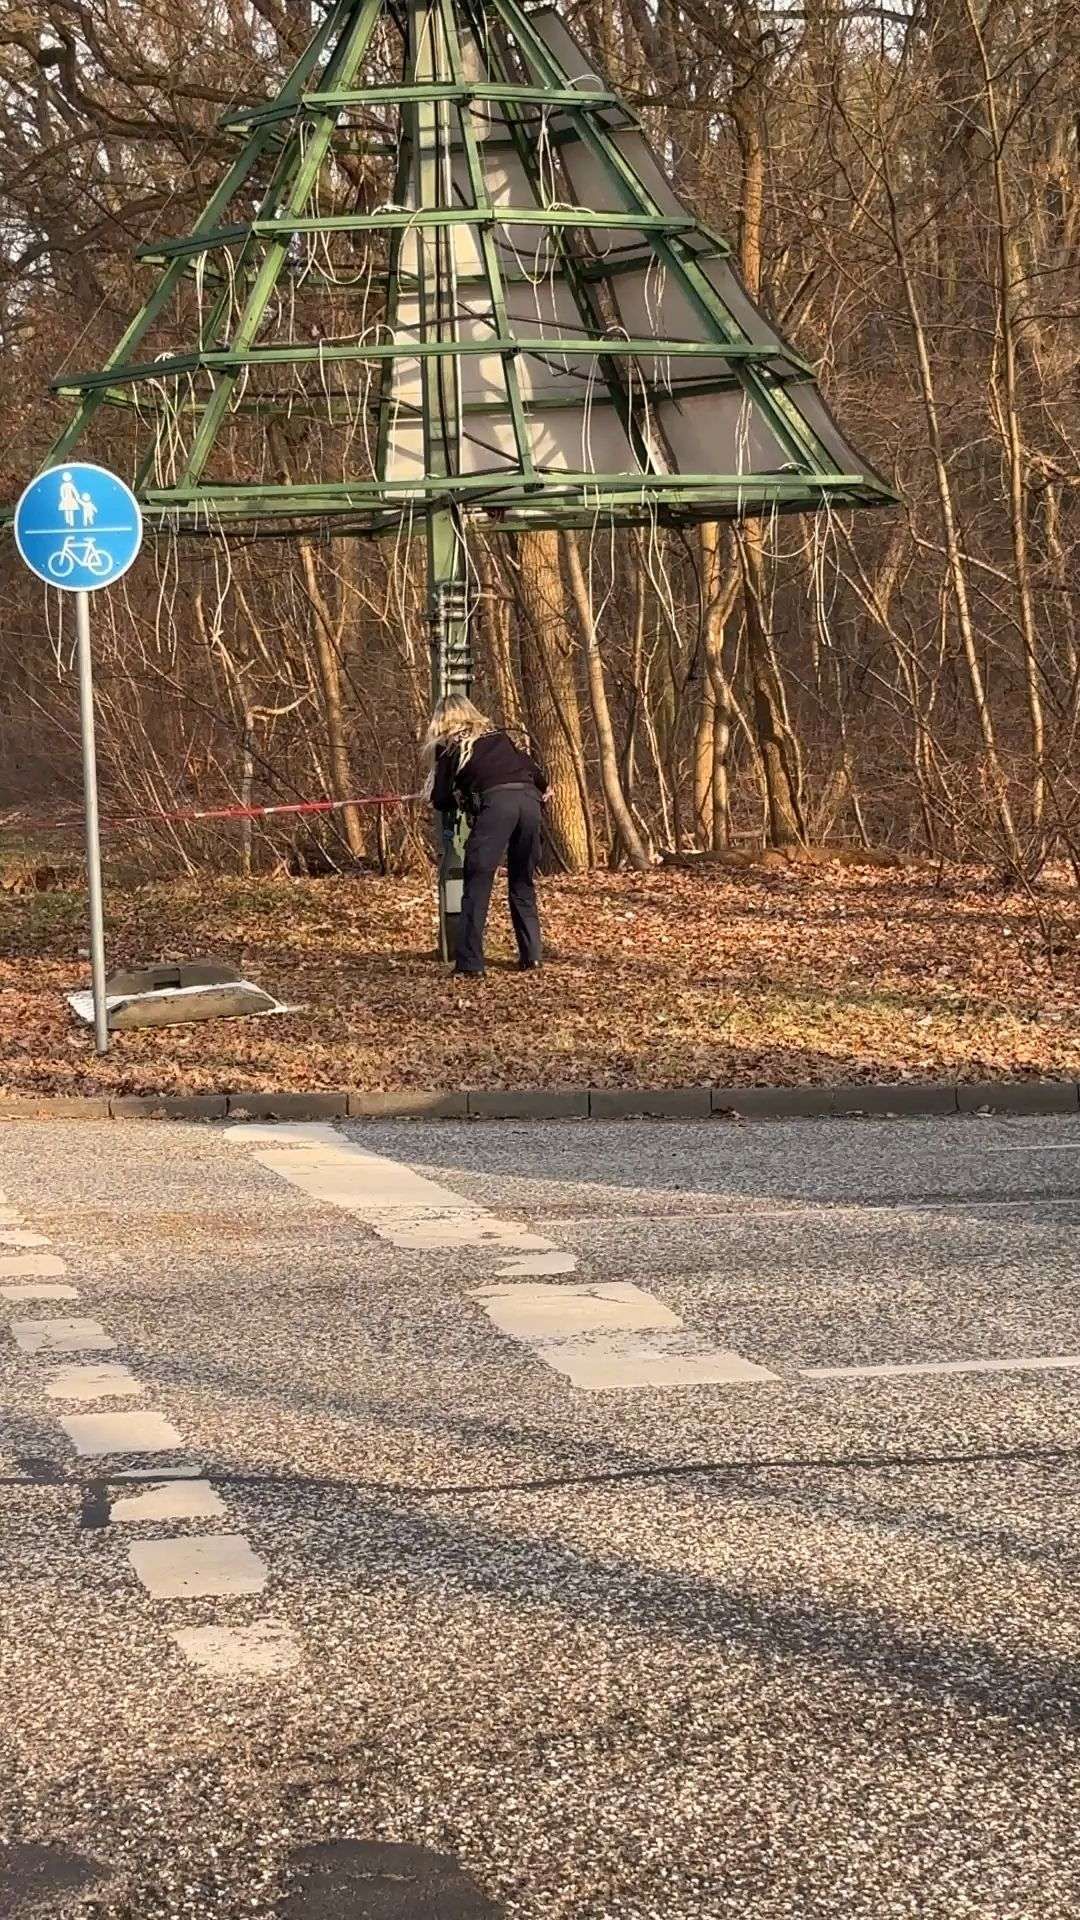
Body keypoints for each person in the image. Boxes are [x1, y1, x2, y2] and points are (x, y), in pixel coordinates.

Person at [423, 694, 550, 977]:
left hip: (496, 806)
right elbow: (537, 774)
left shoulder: (451, 746)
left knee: (477, 882)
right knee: (522, 881)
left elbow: (441, 798)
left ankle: (470, 964)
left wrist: (460, 798)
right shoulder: (500, 738)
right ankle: (532, 956)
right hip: (530, 803)